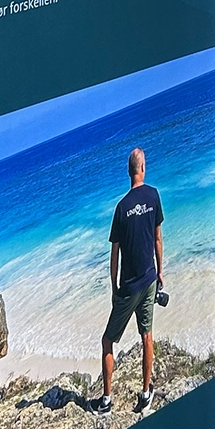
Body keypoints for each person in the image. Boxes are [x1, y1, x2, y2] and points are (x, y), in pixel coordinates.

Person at [95, 148, 165, 414]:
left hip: (129, 287)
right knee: (147, 335)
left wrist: (114, 288)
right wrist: (160, 273)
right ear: (143, 168)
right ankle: (146, 393)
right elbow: (158, 239)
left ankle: (106, 401)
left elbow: (114, 255)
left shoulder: (121, 208)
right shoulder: (154, 195)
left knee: (108, 341)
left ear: (128, 171)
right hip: (149, 279)